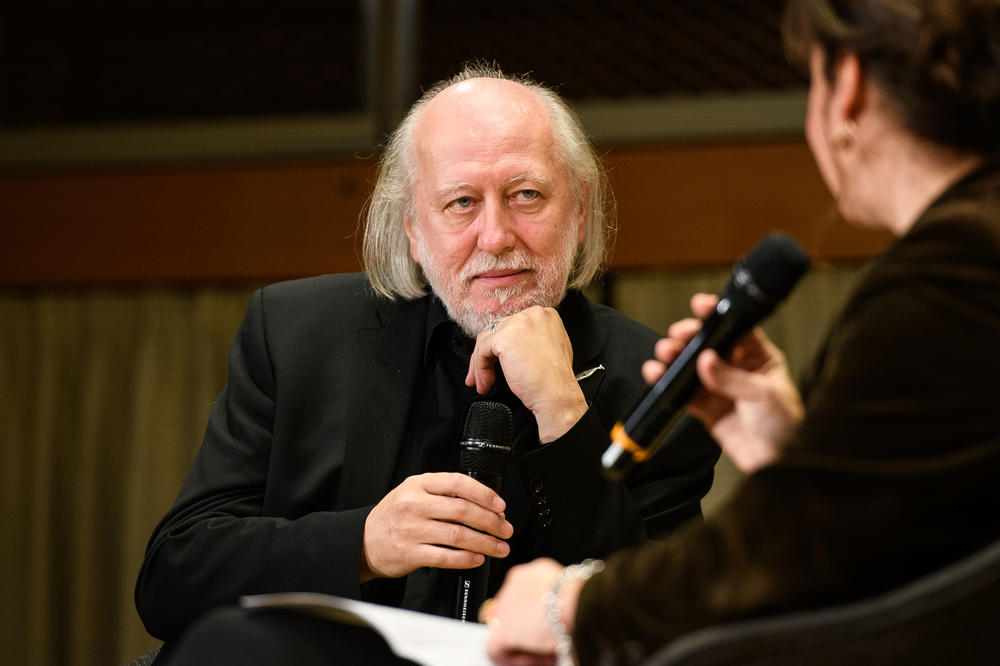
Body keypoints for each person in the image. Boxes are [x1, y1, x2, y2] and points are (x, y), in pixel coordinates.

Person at [134, 63, 719, 652]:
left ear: (580, 210)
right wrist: (362, 542)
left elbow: (664, 631)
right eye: (462, 202)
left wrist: (562, 409)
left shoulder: (657, 378)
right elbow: (172, 577)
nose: (495, 237)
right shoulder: (295, 334)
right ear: (413, 228)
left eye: (526, 195)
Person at [486, 1, 1000, 664]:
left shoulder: (957, 269)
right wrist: (795, 452)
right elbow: (931, 520)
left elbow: (780, 553)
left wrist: (571, 606)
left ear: (847, 85)